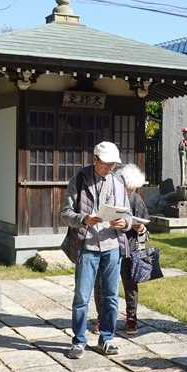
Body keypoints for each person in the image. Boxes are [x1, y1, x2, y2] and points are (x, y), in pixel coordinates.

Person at [60, 141, 131, 359]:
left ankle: (107, 339)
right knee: (82, 297)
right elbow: (65, 213)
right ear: (95, 160)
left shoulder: (118, 181)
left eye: (113, 164)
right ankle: (78, 341)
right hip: (87, 246)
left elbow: (128, 214)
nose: (110, 168)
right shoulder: (80, 179)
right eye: (106, 164)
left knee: (111, 296)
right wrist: (84, 219)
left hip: (112, 246)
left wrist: (125, 223)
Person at [94, 163, 149, 336]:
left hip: (129, 247)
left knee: (130, 284)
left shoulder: (136, 199)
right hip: (107, 243)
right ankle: (102, 318)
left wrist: (141, 228)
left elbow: (145, 227)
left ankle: (131, 318)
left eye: (133, 189)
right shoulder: (107, 194)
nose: (130, 192)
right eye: (128, 188)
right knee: (102, 283)